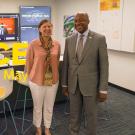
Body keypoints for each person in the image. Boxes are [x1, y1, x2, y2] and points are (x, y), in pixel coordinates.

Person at [62, 13, 109, 135]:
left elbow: (104, 65)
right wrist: (64, 84)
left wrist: (103, 89)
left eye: (82, 20)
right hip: (73, 85)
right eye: (76, 21)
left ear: (88, 21)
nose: (78, 23)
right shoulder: (69, 40)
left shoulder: (99, 39)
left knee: (91, 116)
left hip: (91, 86)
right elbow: (66, 64)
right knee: (74, 116)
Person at [25, 19, 61, 135]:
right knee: (37, 107)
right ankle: (38, 128)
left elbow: (57, 62)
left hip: (52, 80)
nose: (47, 29)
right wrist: (30, 78)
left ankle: (47, 128)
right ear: (39, 29)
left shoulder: (57, 44)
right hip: (37, 81)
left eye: (49, 26)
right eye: (44, 27)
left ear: (52, 28)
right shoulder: (33, 44)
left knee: (49, 106)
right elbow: (29, 62)